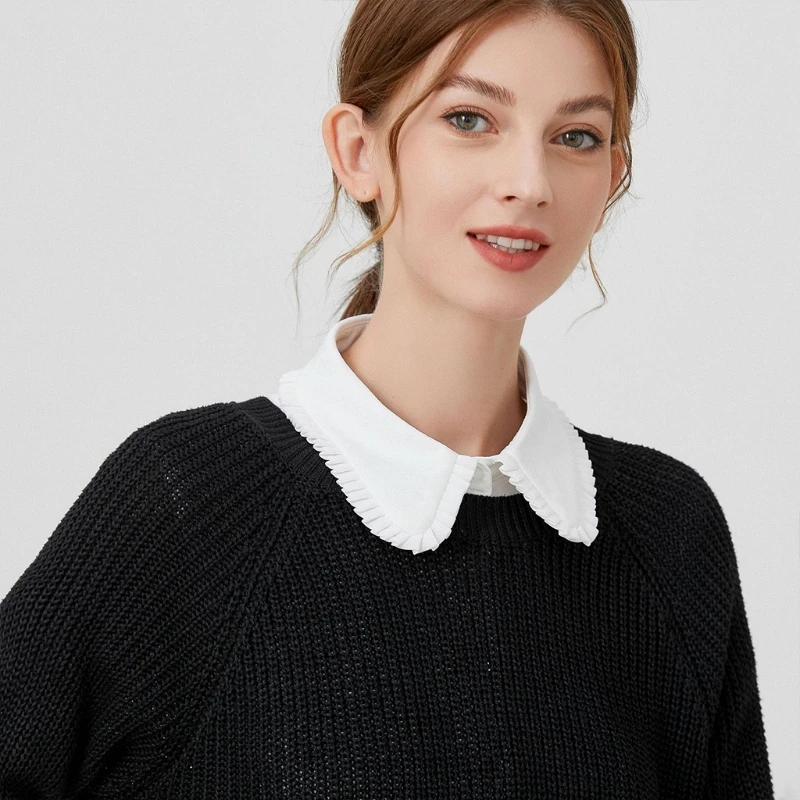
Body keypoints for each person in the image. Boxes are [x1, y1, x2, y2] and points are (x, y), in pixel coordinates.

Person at [0, 0, 774, 797]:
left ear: (612, 174)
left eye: (575, 136)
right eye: (469, 119)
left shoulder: (666, 534)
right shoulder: (193, 505)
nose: (528, 183)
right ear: (358, 150)